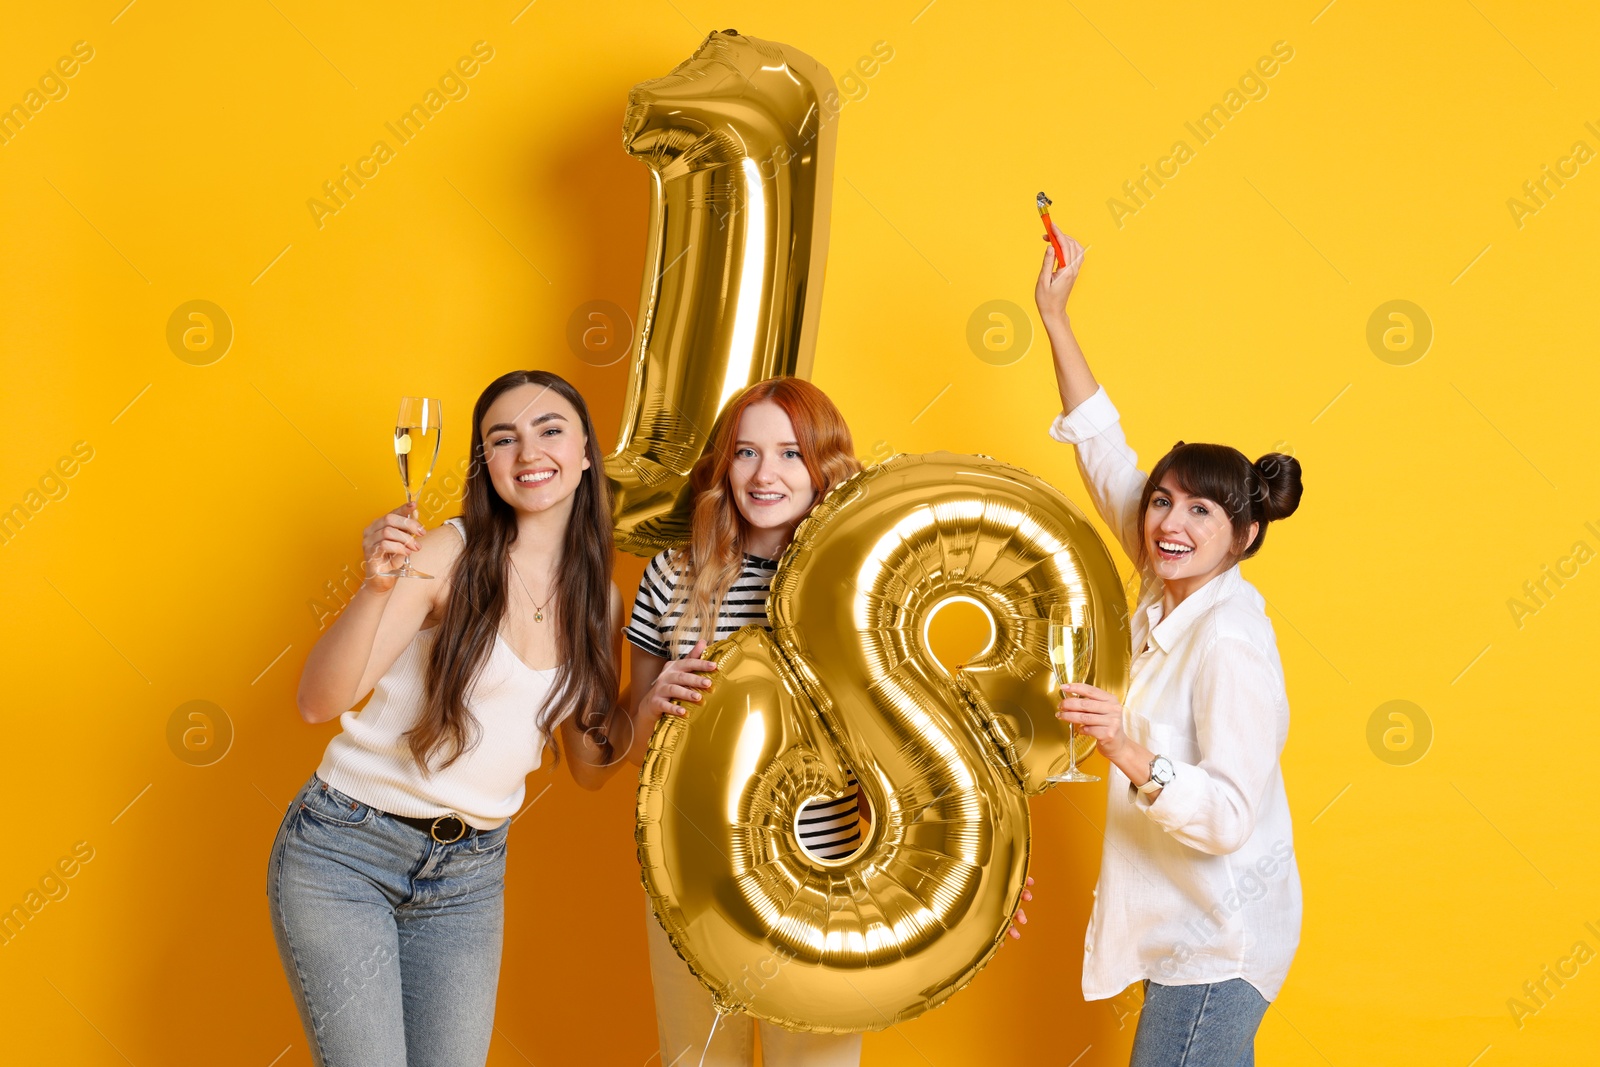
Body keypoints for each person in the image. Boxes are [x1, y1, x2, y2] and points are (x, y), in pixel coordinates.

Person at [268, 370, 624, 1067]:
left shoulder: (598, 600)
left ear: (585, 452)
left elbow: (590, 768)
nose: (529, 451)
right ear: (486, 465)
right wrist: (376, 586)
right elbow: (317, 701)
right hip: (346, 852)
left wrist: (642, 701)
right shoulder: (447, 554)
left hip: (469, 875)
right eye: (503, 438)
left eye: (550, 429)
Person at [1034, 223, 1305, 1067]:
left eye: (1200, 512)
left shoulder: (1230, 637)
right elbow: (1101, 446)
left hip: (1218, 941)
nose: (1170, 523)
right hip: (1182, 933)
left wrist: (1125, 744)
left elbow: (1228, 813)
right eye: (1163, 502)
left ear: (1245, 534)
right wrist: (1055, 314)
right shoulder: (1164, 576)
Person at [622, 377, 871, 1066]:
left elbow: (902, 739)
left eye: (792, 453)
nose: (766, 474)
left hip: (822, 881)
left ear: (825, 465)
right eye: (747, 453)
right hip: (689, 882)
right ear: (722, 466)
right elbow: (625, 746)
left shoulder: (860, 583)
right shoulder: (671, 576)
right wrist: (650, 706)